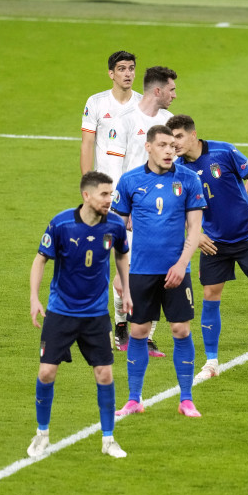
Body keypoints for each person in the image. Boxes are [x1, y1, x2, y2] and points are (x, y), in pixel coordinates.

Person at [169, 114, 248, 382]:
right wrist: (195, 234)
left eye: (178, 137)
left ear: (193, 135)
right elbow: (175, 209)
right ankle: (211, 362)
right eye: (170, 138)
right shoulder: (176, 170)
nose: (174, 143)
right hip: (214, 242)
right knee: (211, 296)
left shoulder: (223, 151)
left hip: (247, 235)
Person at [28, 171, 131, 458]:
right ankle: (42, 434)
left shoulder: (114, 225)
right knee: (47, 372)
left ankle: (108, 439)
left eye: (111, 194)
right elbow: (40, 260)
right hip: (61, 311)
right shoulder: (61, 224)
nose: (109, 200)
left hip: (96, 314)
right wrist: (35, 298)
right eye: (104, 194)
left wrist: (127, 287)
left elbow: (121, 254)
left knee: (105, 374)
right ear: (86, 195)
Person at [112, 125, 205, 418]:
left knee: (181, 329)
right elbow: (116, 231)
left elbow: (195, 229)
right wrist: (120, 272)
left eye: (173, 145)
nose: (170, 150)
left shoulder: (189, 180)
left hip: (177, 270)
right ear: (148, 147)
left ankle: (186, 399)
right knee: (138, 331)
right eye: (163, 145)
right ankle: (134, 399)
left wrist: (181, 264)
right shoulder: (130, 181)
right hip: (140, 271)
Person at [112, 65, 178, 356]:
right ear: (158, 90)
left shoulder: (168, 121)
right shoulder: (125, 120)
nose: (175, 94)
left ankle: (147, 336)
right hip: (129, 205)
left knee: (159, 273)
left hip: (160, 208)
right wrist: (120, 211)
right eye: (172, 89)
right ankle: (121, 326)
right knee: (124, 275)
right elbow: (114, 165)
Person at [79, 50, 142, 352]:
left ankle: (121, 325)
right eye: (121, 69)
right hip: (103, 198)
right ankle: (97, 325)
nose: (127, 73)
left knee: (126, 266)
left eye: (131, 68)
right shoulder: (96, 103)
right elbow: (87, 143)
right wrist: (87, 189)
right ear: (111, 73)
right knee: (95, 264)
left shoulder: (144, 106)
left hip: (132, 199)